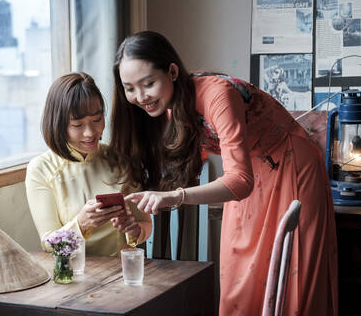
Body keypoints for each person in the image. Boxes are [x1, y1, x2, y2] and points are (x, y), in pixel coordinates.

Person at [108, 31, 338, 315]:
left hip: (290, 164)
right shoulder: (170, 108)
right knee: (239, 273)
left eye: (148, 84)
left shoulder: (218, 95)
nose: (140, 97)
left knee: (289, 271)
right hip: (248, 171)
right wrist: (142, 210)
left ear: (172, 71)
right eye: (129, 88)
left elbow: (239, 182)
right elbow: (183, 176)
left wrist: (174, 197)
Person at [25, 72, 151, 256]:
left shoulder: (120, 159)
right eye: (77, 125)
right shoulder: (41, 169)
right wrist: (81, 224)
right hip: (74, 274)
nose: (90, 132)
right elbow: (48, 243)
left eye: (97, 120)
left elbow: (146, 223)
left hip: (120, 273)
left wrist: (134, 231)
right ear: (58, 125)